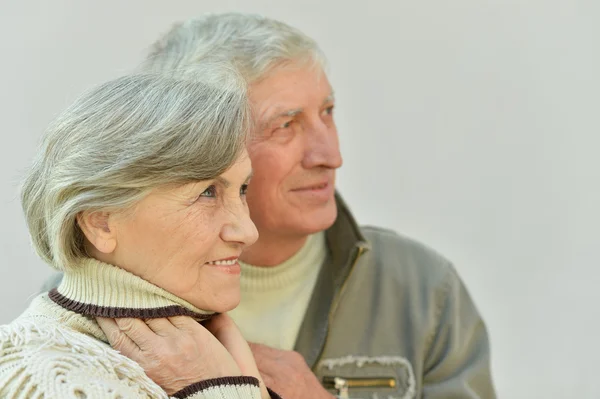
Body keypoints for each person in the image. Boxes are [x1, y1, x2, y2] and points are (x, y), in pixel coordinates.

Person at [44, 12, 497, 399]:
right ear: (195, 142)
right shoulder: (86, 307)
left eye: (328, 112)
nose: (330, 155)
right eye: (286, 125)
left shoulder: (423, 291)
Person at [0, 69, 282, 398]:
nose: (248, 231)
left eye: (243, 188)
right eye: (207, 192)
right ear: (100, 222)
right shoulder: (41, 379)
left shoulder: (213, 352)